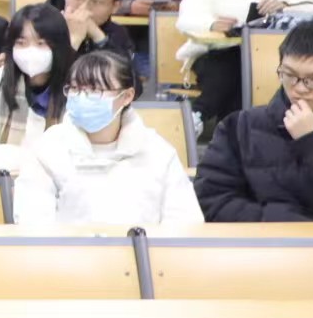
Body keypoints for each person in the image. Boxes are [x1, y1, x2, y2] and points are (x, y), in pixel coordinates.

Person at [12, 50, 201, 227]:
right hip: (67, 251)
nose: (82, 97)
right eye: (75, 89)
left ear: (126, 96)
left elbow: (185, 222)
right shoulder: (48, 149)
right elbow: (33, 223)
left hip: (146, 251)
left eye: (95, 90)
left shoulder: (157, 152)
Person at [197, 17, 313, 221]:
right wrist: (284, 222)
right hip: (265, 239)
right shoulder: (240, 127)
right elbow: (212, 199)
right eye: (289, 75)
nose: (300, 88)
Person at [177, 0, 313, 127]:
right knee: (234, 63)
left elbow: (312, 24)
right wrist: (211, 24)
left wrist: (286, 10)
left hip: (272, 60)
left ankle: (200, 116)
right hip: (213, 53)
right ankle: (222, 125)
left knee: (245, 68)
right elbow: (186, 17)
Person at [0, 5, 73, 175]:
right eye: (21, 43)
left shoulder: (80, 90)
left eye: (41, 43)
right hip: (5, 186)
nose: (31, 51)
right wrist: (38, 160)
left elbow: (79, 156)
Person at [54, 0, 137, 68]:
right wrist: (74, 40)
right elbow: (49, 77)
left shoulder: (119, 35)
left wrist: (98, 36)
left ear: (115, 6)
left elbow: (124, 75)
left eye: (96, 1)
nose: (83, 7)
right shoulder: (42, 25)